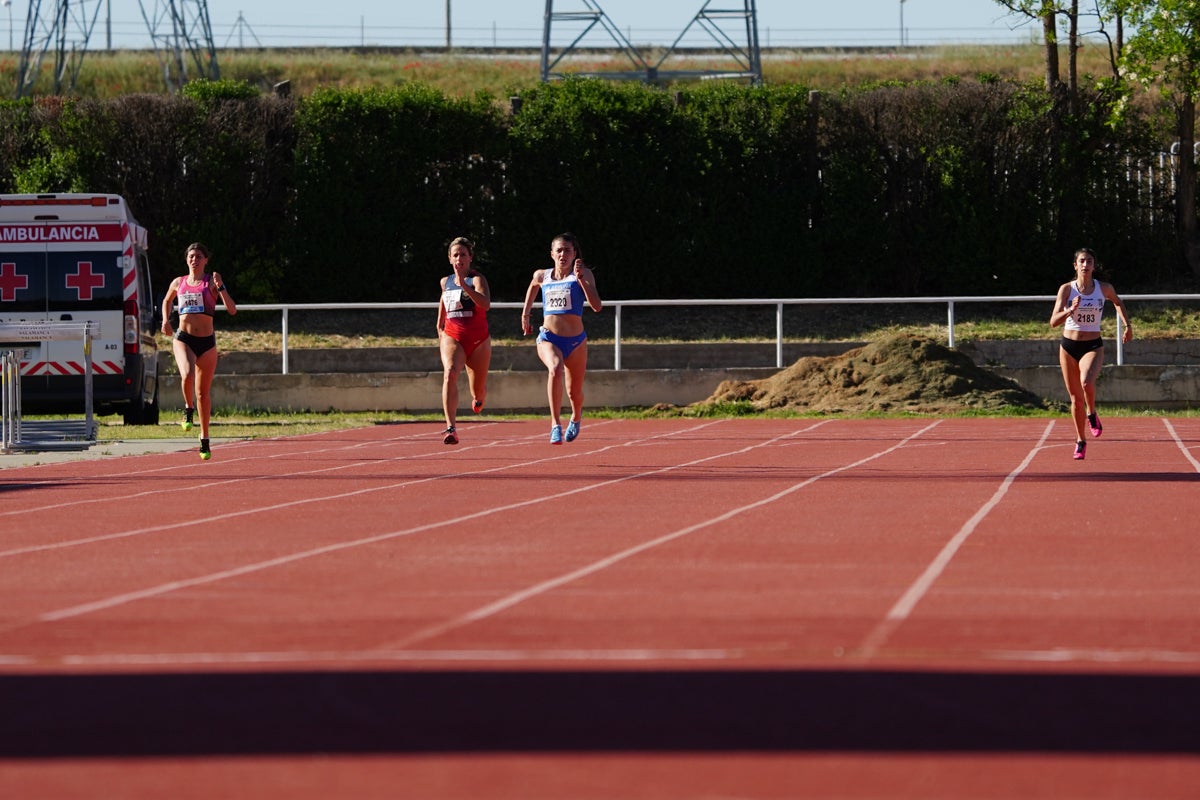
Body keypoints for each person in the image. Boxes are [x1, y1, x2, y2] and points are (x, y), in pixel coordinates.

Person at [1050, 247, 1132, 461]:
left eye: (1089, 261)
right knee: (1076, 399)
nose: (1086, 265)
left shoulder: (1103, 288)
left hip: (1092, 346)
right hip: (1068, 346)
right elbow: (1053, 321)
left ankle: (1092, 412)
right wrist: (1070, 310)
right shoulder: (1067, 290)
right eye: (1082, 261)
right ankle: (1080, 440)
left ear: (1094, 266)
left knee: (1087, 382)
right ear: (1075, 265)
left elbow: (1118, 302)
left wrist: (1127, 325)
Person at [521, 232, 603, 444]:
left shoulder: (583, 274)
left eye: (567, 250)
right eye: (559, 250)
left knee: (573, 391)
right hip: (549, 338)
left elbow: (596, 306)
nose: (563, 254)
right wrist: (526, 314)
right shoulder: (543, 275)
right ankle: (555, 424)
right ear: (552, 254)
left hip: (576, 342)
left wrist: (581, 280)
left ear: (575, 253)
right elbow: (532, 287)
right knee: (555, 368)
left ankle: (576, 417)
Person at [160, 242, 237, 460]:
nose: (194, 259)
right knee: (187, 374)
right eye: (191, 256)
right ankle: (187, 408)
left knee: (203, 393)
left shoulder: (210, 283)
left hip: (207, 343)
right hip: (184, 338)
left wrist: (221, 287)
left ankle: (204, 439)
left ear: (206, 260)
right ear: (187, 260)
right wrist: (166, 320)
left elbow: (232, 310)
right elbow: (167, 300)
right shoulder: (179, 282)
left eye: (198, 256)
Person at [436, 236, 491, 445]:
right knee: (449, 373)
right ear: (450, 258)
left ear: (470, 258)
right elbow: (443, 301)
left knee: (477, 391)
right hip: (453, 337)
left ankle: (479, 397)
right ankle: (451, 427)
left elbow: (485, 305)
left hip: (479, 341)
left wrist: (465, 287)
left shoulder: (477, 280)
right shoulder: (445, 281)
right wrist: (440, 326)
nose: (459, 258)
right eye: (455, 255)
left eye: (463, 255)